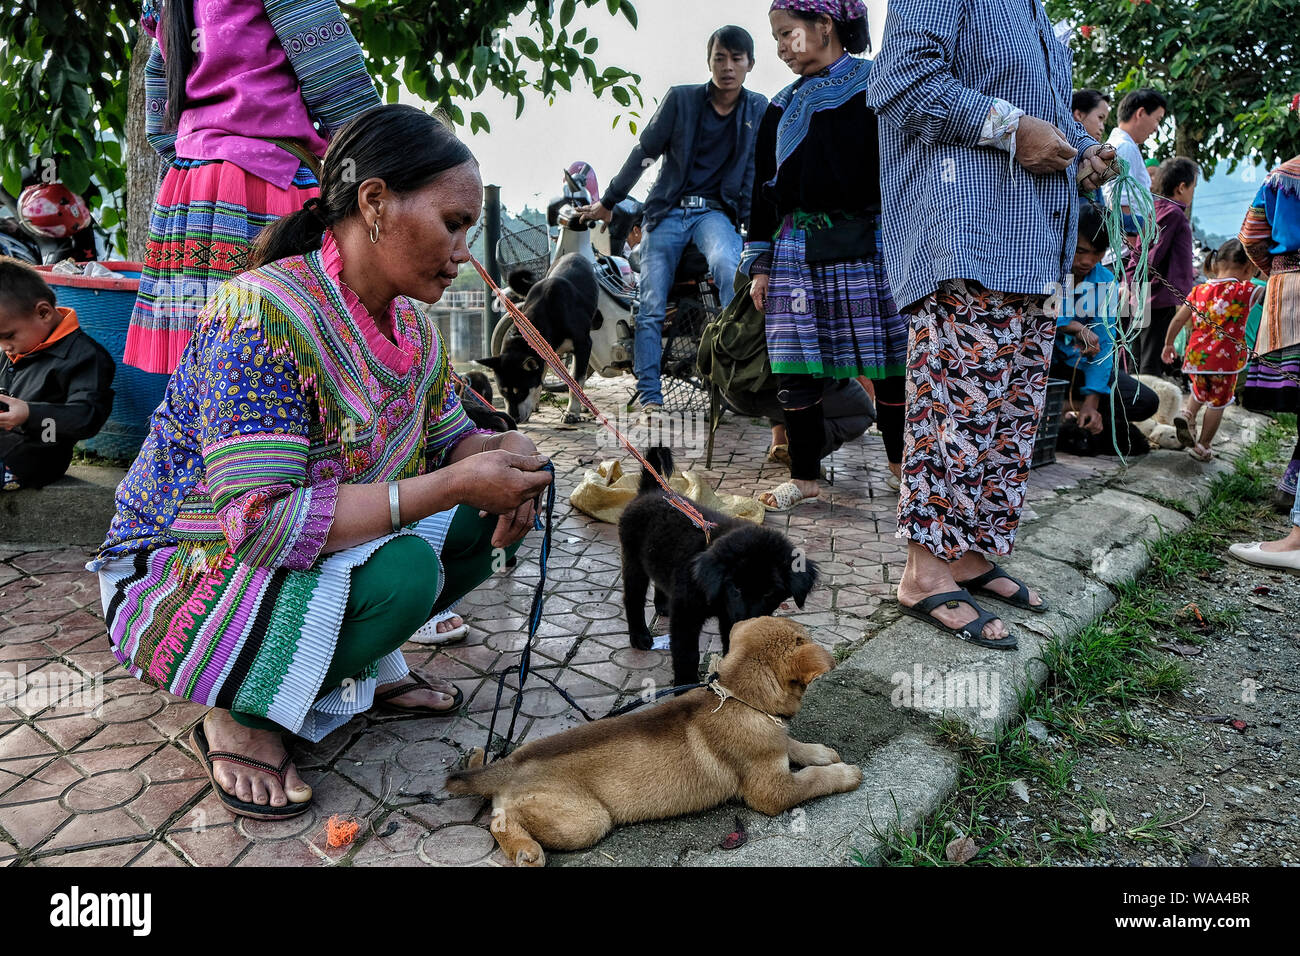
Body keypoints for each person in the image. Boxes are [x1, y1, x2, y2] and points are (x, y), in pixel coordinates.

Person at [88, 106, 554, 820]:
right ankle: (242, 712)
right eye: (453, 223)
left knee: (477, 521)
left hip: (305, 549)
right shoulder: (261, 316)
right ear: (373, 203)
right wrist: (454, 480)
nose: (464, 251)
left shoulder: (411, 331)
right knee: (406, 572)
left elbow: (455, 438)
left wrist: (510, 456)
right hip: (186, 565)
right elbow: (263, 523)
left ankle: (351, 667)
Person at [867, 0, 1118, 648]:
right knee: (957, 413)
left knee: (1005, 419)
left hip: (1032, 244)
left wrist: (1082, 150)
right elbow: (902, 78)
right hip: (967, 232)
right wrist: (1010, 128)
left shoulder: (1037, 19)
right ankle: (925, 570)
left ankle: (970, 554)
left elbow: (1052, 124)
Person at [125, 0, 380, 375]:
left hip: (190, 193)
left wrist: (201, 155)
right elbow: (336, 80)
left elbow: (159, 116)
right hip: (268, 181)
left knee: (205, 365)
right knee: (282, 351)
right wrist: (380, 160)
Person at [745, 0, 906, 511]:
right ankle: (807, 476)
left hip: (871, 244)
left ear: (825, 25)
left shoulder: (879, 85)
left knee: (890, 364)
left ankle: (903, 468)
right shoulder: (779, 106)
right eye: (776, 37)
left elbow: (904, 165)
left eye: (787, 33)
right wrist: (761, 263)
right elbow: (761, 191)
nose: (781, 47)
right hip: (795, 247)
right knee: (796, 366)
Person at [577, 26, 768, 415]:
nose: (727, 67)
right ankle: (650, 395)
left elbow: (754, 173)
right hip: (667, 212)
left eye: (736, 58)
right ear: (709, 60)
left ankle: (732, 382)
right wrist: (610, 200)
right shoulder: (681, 101)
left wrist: (757, 234)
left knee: (731, 268)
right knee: (651, 302)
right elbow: (644, 151)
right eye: (720, 58)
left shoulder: (757, 109)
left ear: (750, 63)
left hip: (715, 214)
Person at [1051, 204, 1158, 456]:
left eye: (1098, 252)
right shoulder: (1048, 269)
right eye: (1080, 251)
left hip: (1078, 371)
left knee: (1145, 401)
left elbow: (1105, 345)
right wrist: (1072, 326)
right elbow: (1042, 315)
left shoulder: (1106, 282)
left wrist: (1091, 400)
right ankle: (1055, 406)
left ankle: (1069, 406)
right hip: (1043, 369)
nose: (1087, 261)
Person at [0, 259, 116, 489]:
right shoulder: (14, 349)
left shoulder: (85, 356)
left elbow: (86, 417)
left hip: (38, 453)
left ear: (43, 312)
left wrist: (30, 414)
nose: (5, 346)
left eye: (9, 336)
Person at [1161, 239, 1261, 462]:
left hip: (1197, 356)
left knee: (1199, 391)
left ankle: (1188, 414)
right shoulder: (1246, 290)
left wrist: (1169, 344)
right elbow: (1272, 293)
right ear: (1249, 268)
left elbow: (1178, 320)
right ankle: (1204, 445)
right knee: (1218, 402)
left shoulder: (1199, 290)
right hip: (1225, 362)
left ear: (1216, 264)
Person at [1239, 150, 1300, 511]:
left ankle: (1292, 483)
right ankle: (1293, 481)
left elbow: (1251, 237)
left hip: (1288, 293)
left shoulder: (1281, 176)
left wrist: (1276, 273)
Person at [1133, 156, 1198, 376]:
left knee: (1135, 359)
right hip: (1158, 299)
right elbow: (1151, 255)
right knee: (1150, 364)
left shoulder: (1156, 208)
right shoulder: (1174, 214)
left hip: (1142, 295)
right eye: (1193, 187)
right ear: (1181, 187)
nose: (1192, 193)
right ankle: (1143, 409)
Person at [1104, 88, 1168, 231]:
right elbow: (1122, 204)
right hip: (1129, 247)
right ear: (1140, 113)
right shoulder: (1125, 147)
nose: (1156, 129)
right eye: (1157, 119)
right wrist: (1138, 248)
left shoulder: (1121, 145)